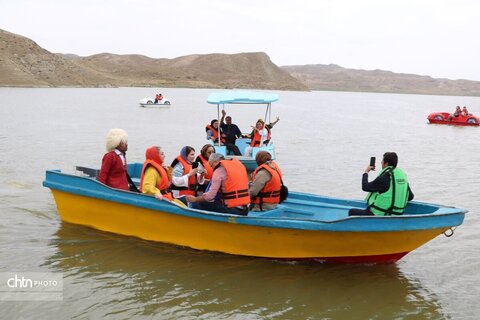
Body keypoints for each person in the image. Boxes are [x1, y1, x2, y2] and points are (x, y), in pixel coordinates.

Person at [348, 152, 414, 216]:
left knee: (351, 212)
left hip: (381, 215)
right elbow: (410, 197)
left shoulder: (385, 177)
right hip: (397, 214)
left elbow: (365, 187)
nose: (381, 162)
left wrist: (366, 172)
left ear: (386, 163)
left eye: (382, 161)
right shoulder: (402, 176)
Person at [185, 153, 250, 215]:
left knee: (196, 204)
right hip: (245, 209)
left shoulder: (219, 171)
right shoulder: (239, 167)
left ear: (216, 162)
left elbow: (210, 197)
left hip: (232, 210)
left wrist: (195, 199)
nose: (212, 168)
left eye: (211, 165)